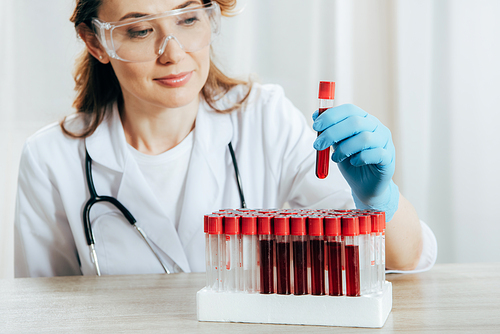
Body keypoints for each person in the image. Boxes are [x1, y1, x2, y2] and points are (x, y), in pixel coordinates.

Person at [14, 0, 436, 277]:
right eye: (140, 30)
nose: (173, 52)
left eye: (188, 19)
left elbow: (402, 261)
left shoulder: (264, 118)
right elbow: (40, 310)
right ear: (96, 41)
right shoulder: (51, 158)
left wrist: (380, 201)